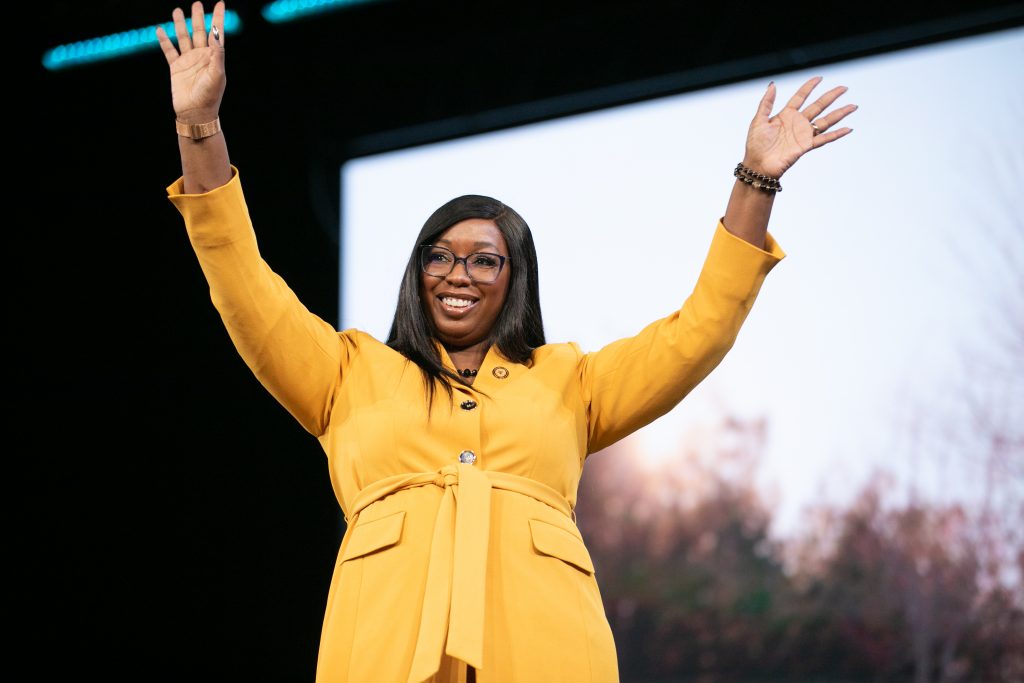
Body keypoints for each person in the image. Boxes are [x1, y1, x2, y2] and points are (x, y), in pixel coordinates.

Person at [157, 2, 856, 681]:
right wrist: (199, 126)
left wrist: (756, 181)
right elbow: (242, 282)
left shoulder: (570, 380)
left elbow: (699, 331)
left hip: (548, 652)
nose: (457, 274)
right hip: (383, 653)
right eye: (439, 256)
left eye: (484, 260)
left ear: (515, 279)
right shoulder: (347, 372)